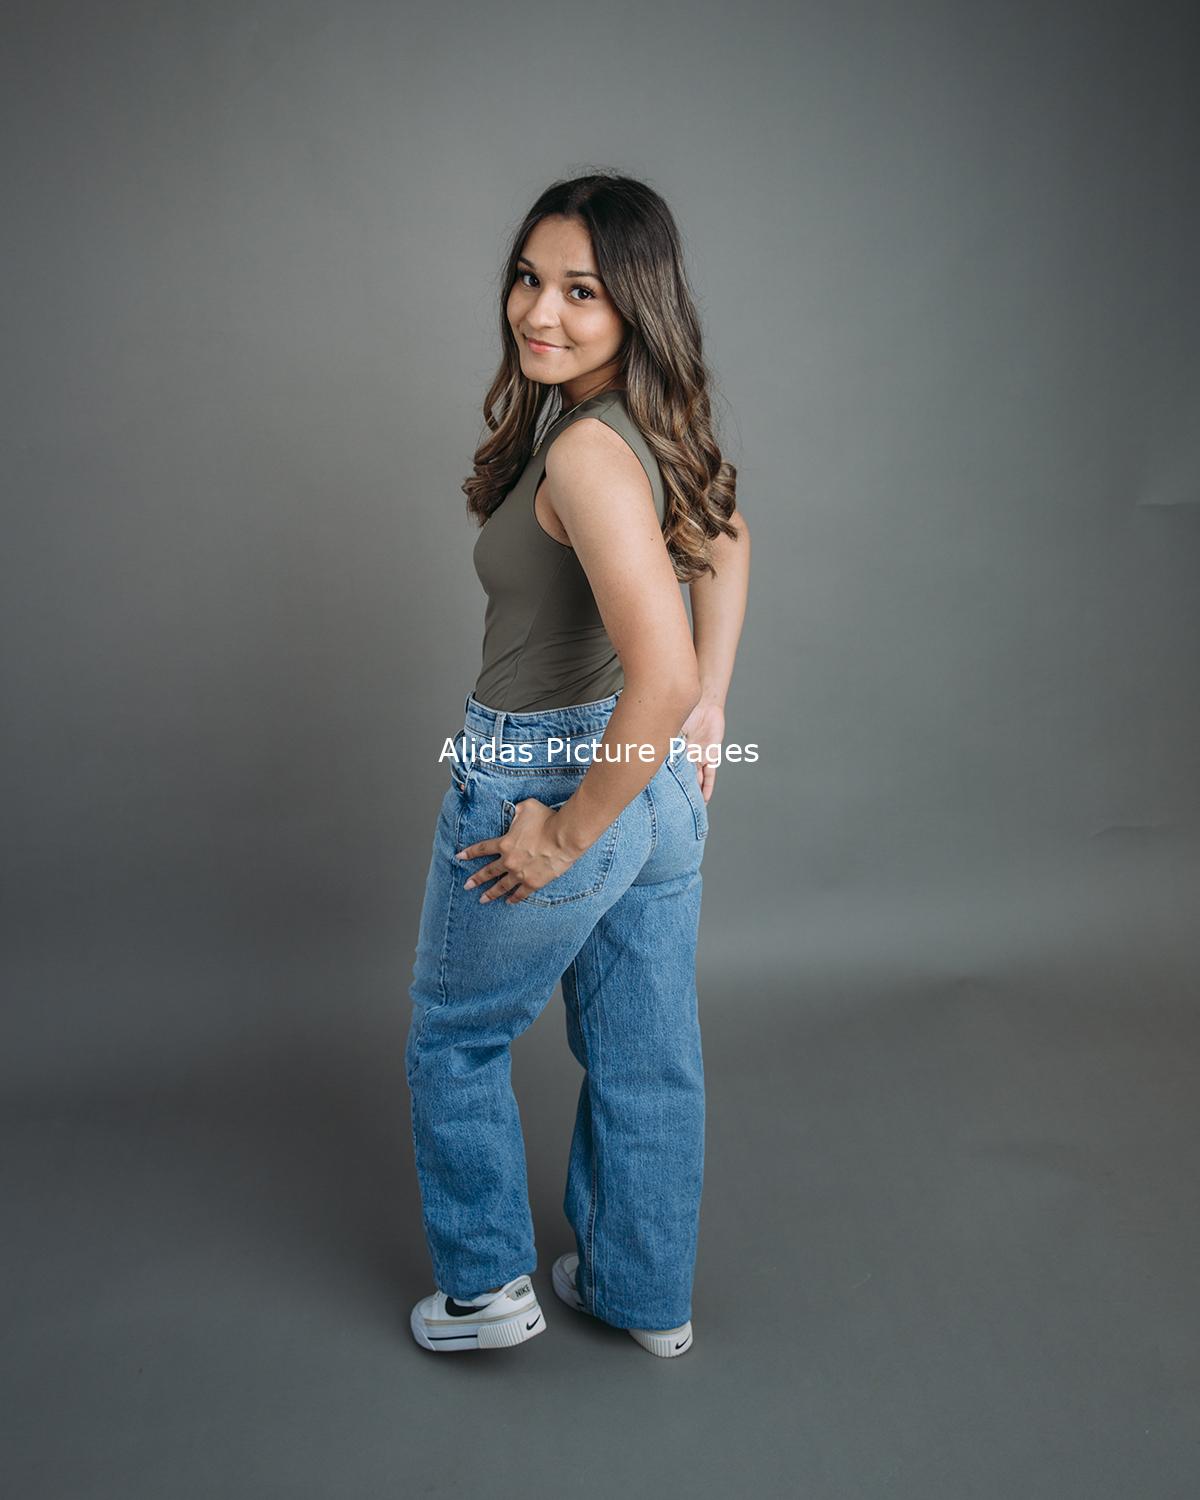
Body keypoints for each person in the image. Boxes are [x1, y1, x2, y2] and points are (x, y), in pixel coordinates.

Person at [406, 172, 750, 1357]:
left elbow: (658, 674)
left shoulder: (587, 457)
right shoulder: (647, 425)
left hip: (555, 778)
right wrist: (710, 708)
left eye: (580, 291)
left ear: (635, 303)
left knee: (454, 1039)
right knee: (646, 1055)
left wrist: (561, 831)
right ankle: (643, 1294)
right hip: (647, 781)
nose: (538, 311)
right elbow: (728, 536)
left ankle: (484, 1294)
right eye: (528, 278)